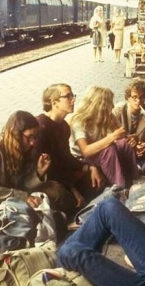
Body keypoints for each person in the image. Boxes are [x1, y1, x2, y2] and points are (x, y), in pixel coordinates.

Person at [35, 83, 104, 215]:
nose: (73, 100)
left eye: (73, 95)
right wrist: (72, 189)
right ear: (54, 102)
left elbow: (66, 158)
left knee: (95, 177)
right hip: (43, 179)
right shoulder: (42, 127)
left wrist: (90, 167)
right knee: (62, 194)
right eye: (68, 96)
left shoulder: (64, 127)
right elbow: (48, 168)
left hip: (61, 176)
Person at [68, 85, 141, 189]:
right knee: (109, 149)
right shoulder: (79, 122)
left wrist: (133, 138)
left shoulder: (105, 117)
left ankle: (135, 178)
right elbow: (85, 151)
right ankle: (120, 187)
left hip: (97, 155)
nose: (112, 106)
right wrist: (112, 137)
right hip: (82, 159)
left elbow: (122, 136)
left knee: (125, 143)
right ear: (100, 105)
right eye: (110, 102)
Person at [112, 79, 145, 169]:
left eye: (142, 97)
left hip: (140, 151)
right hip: (122, 149)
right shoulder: (118, 111)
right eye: (134, 97)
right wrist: (132, 145)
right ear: (128, 97)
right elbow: (111, 136)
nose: (138, 101)